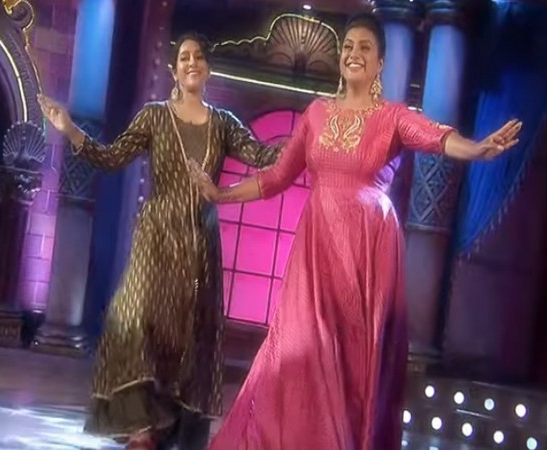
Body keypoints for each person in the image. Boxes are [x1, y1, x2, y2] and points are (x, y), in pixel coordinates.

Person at [187, 13, 521, 450]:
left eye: (365, 47)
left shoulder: (392, 117)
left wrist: (475, 149)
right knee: (298, 347)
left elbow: (436, 136)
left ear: (380, 62)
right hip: (316, 251)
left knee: (351, 359)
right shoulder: (316, 114)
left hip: (366, 249)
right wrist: (220, 193)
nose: (353, 54)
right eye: (348, 46)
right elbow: (276, 177)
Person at [37, 32, 281, 450]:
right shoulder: (154, 117)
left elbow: (262, 156)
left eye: (198, 56)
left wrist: (311, 137)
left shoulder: (223, 124)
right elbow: (112, 157)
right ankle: (140, 428)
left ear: (207, 68)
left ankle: (170, 429)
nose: (191, 63)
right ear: (174, 69)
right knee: (130, 318)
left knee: (185, 337)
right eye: (184, 57)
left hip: (198, 245)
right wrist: (71, 130)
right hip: (155, 239)